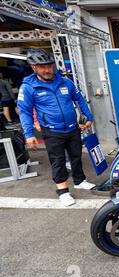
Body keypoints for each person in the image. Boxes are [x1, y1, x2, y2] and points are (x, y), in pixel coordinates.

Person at [17, 48, 96, 206]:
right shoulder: (28, 87)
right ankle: (63, 191)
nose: (47, 70)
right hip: (52, 130)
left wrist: (89, 116)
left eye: (49, 65)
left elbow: (79, 99)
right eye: (42, 67)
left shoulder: (66, 82)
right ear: (34, 67)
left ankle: (79, 180)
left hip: (73, 128)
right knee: (58, 160)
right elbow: (24, 111)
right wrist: (28, 134)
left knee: (76, 155)